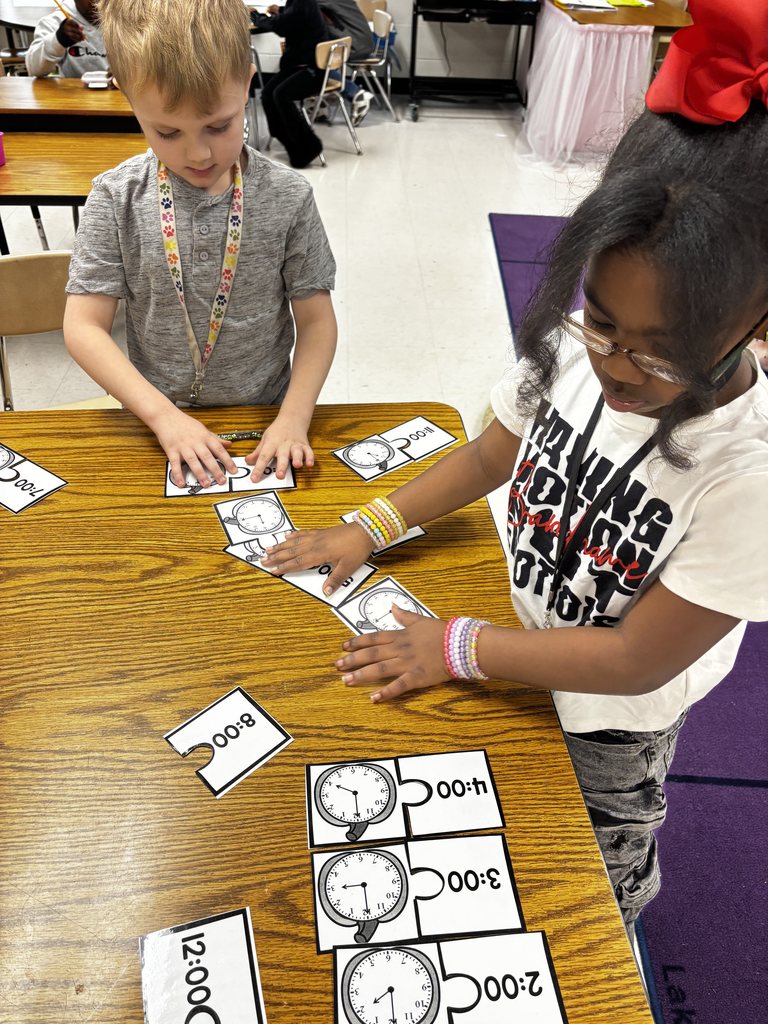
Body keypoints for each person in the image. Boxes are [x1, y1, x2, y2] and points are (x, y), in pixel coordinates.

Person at [260, 0, 768, 933]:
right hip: (517, 642)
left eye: (660, 354)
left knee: (592, 884)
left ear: (756, 324)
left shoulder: (750, 477)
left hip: (612, 720)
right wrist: (370, 526)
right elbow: (494, 453)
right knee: (503, 845)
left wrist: (458, 648)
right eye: (602, 323)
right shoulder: (575, 350)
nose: (617, 368)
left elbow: (635, 659)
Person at [64, 0, 337, 490]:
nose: (199, 153)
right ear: (127, 95)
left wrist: (294, 418)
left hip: (267, 417)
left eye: (220, 125)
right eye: (167, 132)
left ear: (248, 82)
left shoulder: (288, 196)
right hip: (155, 418)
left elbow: (316, 322)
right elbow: (83, 326)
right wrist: (163, 417)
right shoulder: (115, 196)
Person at [251, 0, 330, 168]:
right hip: (299, 66)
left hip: (311, 70)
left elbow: (281, 26)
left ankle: (309, 146)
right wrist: (280, 10)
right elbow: (293, 17)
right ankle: (286, 139)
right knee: (267, 95)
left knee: (281, 94)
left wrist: (255, 16)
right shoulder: (299, 3)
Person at [25, 0, 108, 78]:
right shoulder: (55, 21)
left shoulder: (114, 17)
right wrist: (58, 40)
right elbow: (33, 69)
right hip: (73, 87)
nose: (96, 2)